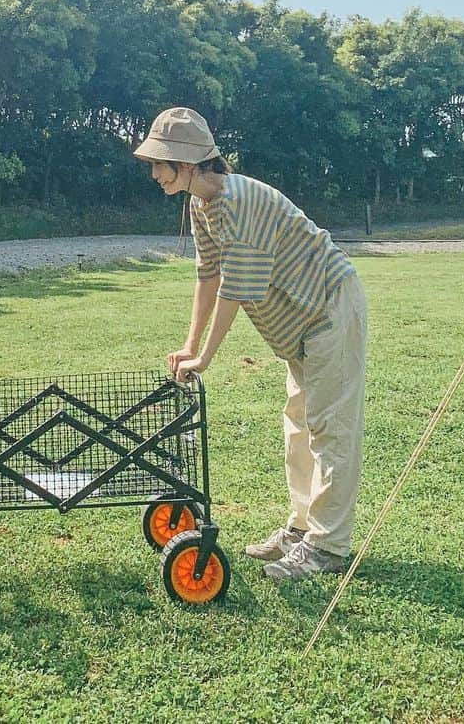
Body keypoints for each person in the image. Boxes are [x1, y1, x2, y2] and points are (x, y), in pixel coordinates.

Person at [134, 107, 367, 582]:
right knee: (298, 427)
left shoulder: (241, 202)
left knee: (329, 431)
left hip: (328, 309)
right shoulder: (201, 205)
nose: (155, 172)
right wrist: (189, 343)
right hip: (301, 326)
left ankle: (327, 547)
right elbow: (208, 273)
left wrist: (206, 357)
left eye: (162, 162)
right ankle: (302, 529)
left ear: (190, 162)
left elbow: (236, 288)